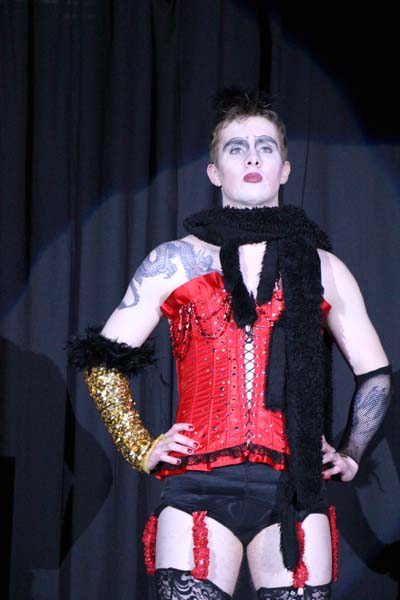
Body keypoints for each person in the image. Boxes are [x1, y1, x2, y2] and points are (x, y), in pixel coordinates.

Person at [68, 89, 391, 600]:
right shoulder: (173, 262)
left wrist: (351, 452)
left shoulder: (324, 269)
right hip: (196, 487)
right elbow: (103, 359)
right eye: (236, 148)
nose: (253, 158)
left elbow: (374, 374)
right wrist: (139, 445)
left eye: (266, 147)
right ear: (215, 171)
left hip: (294, 486)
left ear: (285, 168)